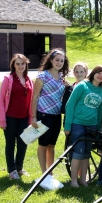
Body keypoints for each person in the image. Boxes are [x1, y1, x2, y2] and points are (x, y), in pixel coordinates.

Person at [64, 65, 102, 187]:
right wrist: (67, 125)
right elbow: (70, 105)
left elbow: (99, 112)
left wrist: (98, 128)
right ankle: (73, 181)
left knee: (87, 153)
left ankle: (83, 180)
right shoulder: (82, 85)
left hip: (92, 125)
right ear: (93, 73)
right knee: (78, 151)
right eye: (98, 72)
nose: (100, 76)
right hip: (78, 123)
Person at [31, 49, 69, 178]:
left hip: (57, 115)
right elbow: (35, 97)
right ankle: (43, 173)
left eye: (62, 61)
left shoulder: (62, 78)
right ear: (51, 60)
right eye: (57, 60)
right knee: (43, 144)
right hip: (43, 114)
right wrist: (34, 117)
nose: (59, 62)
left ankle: (50, 172)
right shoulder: (42, 76)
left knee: (52, 145)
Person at [0, 54, 34, 179]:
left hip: (24, 118)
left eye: (23, 63)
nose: (20, 66)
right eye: (17, 64)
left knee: (23, 143)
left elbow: (31, 100)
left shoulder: (29, 80)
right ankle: (11, 170)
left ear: (26, 64)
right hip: (10, 117)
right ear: (13, 65)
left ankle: (19, 167)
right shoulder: (8, 79)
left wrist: (31, 117)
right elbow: (1, 100)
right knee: (10, 144)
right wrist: (2, 120)